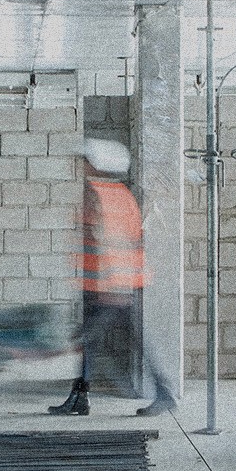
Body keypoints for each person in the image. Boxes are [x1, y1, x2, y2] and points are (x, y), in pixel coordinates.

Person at [45, 139, 176, 417]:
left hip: (110, 288)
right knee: (107, 342)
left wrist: (111, 288)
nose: (81, 165)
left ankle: (163, 392)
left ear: (98, 165)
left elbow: (107, 240)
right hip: (118, 285)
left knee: (95, 341)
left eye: (86, 161)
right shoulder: (121, 194)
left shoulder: (98, 194)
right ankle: (82, 397)